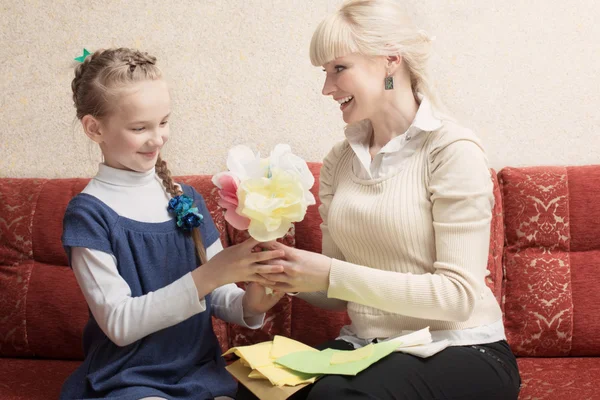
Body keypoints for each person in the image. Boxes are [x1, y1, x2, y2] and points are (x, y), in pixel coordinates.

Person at [242, 0, 522, 398]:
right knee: (252, 386)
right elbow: (336, 290)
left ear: (390, 59)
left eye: (339, 68)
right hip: (371, 349)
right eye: (325, 73)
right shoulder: (340, 161)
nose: (326, 88)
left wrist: (329, 273)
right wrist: (280, 269)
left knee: (333, 398)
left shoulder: (450, 150)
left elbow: (458, 297)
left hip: (461, 347)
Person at [61, 48, 285, 400]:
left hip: (199, 373)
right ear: (94, 128)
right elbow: (119, 324)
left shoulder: (187, 198)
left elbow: (219, 296)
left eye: (164, 122)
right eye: (139, 128)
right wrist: (211, 275)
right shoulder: (88, 215)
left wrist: (252, 304)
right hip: (127, 378)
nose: (158, 138)